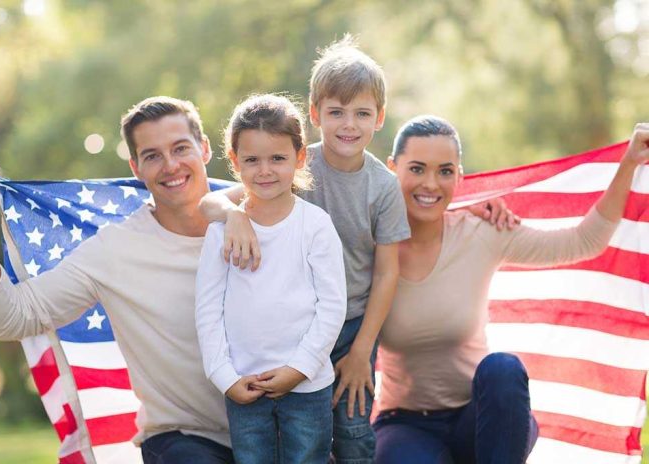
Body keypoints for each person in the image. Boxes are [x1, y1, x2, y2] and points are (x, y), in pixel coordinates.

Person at [199, 36, 515, 463]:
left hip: (351, 326)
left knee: (351, 430)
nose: (349, 124)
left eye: (362, 113)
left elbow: (387, 272)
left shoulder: (382, 186)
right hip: (296, 325)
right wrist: (232, 215)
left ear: (379, 117)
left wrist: (363, 350)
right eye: (336, 112)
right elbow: (213, 201)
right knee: (295, 436)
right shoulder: (292, 165)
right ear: (315, 114)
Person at [0, 96, 235, 464]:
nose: (171, 165)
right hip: (186, 441)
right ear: (135, 167)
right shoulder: (114, 250)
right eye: (152, 155)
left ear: (205, 149)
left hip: (275, 428)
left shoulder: (260, 216)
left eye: (181, 148)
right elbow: (5, 319)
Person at [374, 116, 649, 464]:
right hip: (406, 424)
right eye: (417, 169)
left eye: (445, 171)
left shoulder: (481, 232)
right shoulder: (370, 246)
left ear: (459, 176)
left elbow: (583, 241)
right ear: (392, 169)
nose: (430, 183)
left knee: (503, 368)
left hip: (481, 418)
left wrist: (629, 162)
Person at [195, 94, 347, 464]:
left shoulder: (314, 225)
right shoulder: (222, 232)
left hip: (307, 384)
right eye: (252, 160)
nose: (265, 170)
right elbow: (207, 309)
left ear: (300, 157)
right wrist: (224, 376)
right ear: (234, 162)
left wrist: (299, 369)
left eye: (277, 158)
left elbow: (331, 306)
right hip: (244, 384)